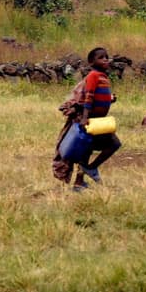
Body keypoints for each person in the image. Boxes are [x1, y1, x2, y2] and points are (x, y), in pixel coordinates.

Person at [52, 46, 121, 190]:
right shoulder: (94, 75)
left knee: (87, 150)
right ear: (91, 62)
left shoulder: (103, 77)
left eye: (106, 57)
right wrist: (84, 118)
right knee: (112, 143)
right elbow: (88, 97)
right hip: (89, 120)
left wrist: (110, 99)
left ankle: (80, 182)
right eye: (100, 58)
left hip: (96, 121)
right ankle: (89, 170)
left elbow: (97, 96)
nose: (105, 60)